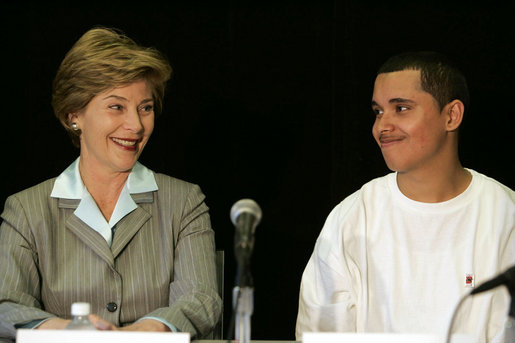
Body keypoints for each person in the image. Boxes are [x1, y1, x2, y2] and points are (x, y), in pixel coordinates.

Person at [0, 27, 221, 341]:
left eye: (145, 108)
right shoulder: (25, 208)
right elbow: (5, 305)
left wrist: (145, 330)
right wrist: (70, 331)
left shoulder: (184, 201)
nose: (135, 125)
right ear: (74, 115)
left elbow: (201, 299)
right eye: (116, 107)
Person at [296, 51, 514, 342]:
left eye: (400, 108)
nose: (381, 126)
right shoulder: (351, 218)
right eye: (378, 111)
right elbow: (319, 334)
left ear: (451, 115)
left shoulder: (505, 213)